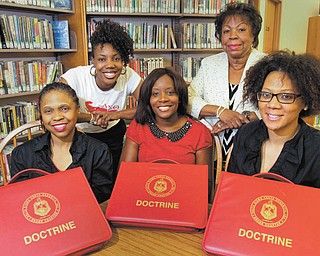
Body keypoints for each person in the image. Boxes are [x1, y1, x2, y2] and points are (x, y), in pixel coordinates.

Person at [60, 19, 143, 181]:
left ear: (123, 60)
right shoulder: (74, 77)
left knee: (111, 181)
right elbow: (58, 109)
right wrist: (91, 117)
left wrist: (115, 115)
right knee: (83, 182)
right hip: (80, 135)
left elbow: (149, 107)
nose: (110, 65)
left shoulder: (129, 75)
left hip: (114, 135)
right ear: (93, 60)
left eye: (116, 58)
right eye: (102, 59)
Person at [228, 51, 320, 188]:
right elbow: (231, 190)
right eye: (266, 94)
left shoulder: (316, 148)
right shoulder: (246, 133)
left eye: (286, 97)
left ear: (306, 102)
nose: (272, 104)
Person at [10, 82, 114, 203]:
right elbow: (19, 199)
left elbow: (102, 195)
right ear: (41, 115)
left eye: (64, 109)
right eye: (48, 111)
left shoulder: (98, 151)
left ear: (77, 110)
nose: (57, 117)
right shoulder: (22, 154)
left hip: (82, 217)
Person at [188, 2, 266, 159]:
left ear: (253, 34)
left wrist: (241, 118)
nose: (233, 36)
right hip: (211, 148)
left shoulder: (267, 65)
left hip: (253, 151)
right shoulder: (209, 64)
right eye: (226, 31)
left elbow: (277, 107)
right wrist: (220, 112)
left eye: (241, 29)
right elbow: (188, 98)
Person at [120, 68, 213, 193]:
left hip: (185, 201)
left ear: (180, 97)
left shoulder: (200, 132)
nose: (163, 99)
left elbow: (204, 184)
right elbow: (125, 176)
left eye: (170, 93)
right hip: (143, 199)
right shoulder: (138, 126)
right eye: (155, 94)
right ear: (148, 99)